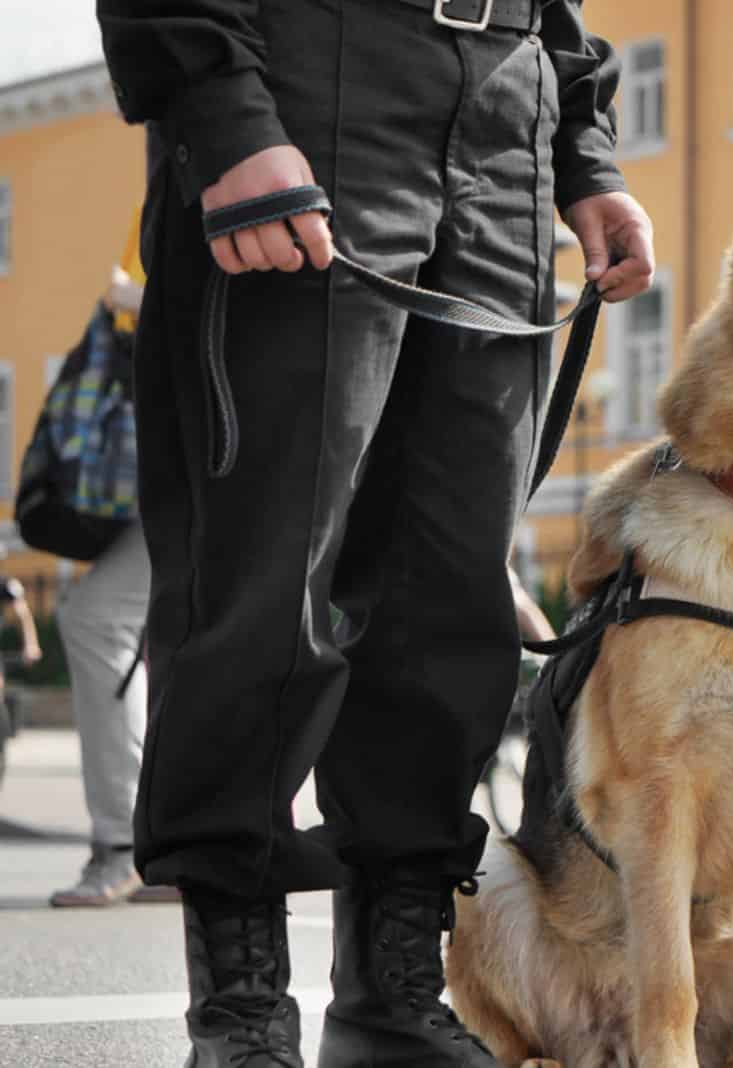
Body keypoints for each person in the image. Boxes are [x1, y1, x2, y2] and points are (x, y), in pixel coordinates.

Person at [95, 0, 654, 1064]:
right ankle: (243, 1008)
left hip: (507, 113)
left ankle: (390, 992)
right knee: (263, 583)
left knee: (451, 597)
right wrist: (221, 109)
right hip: (310, 82)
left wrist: (583, 150)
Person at [48, 251, 178, 909]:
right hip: (188, 457)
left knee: (98, 617)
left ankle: (136, 845)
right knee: (200, 631)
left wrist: (132, 300)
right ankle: (180, 847)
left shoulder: (218, 156)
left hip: (221, 452)